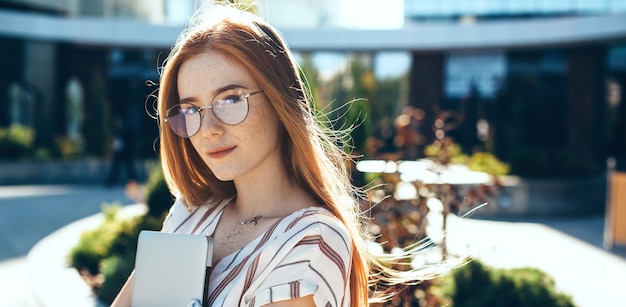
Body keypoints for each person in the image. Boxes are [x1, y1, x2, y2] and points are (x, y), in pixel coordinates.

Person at [112, 4, 450, 306]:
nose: (208, 128)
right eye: (190, 110)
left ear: (279, 100)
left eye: (231, 99)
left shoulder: (312, 240)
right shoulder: (191, 213)